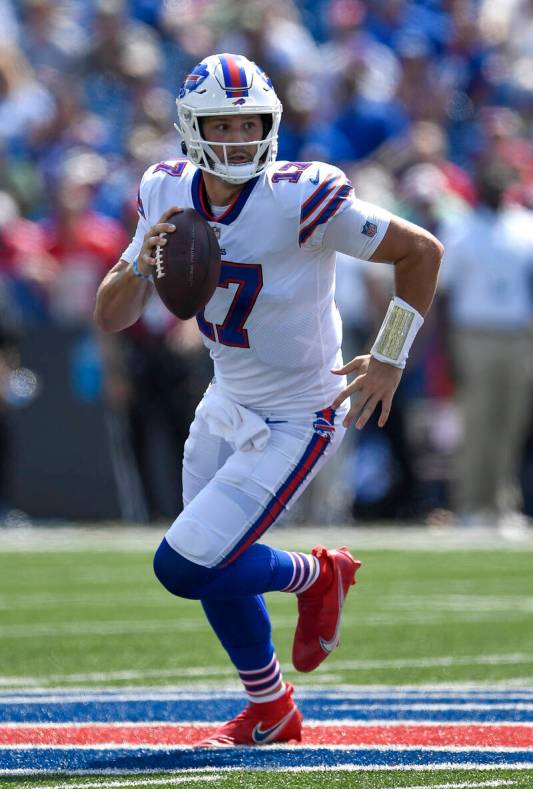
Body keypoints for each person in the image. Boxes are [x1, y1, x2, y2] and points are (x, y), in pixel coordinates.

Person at [94, 53, 442, 746]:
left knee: (185, 563)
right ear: (191, 129)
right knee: (214, 564)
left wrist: (391, 354)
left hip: (299, 412)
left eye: (250, 121)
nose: (238, 136)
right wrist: (140, 259)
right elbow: (111, 314)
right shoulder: (163, 190)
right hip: (226, 402)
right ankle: (273, 710)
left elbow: (421, 252)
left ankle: (317, 574)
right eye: (221, 125)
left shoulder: (301, 195)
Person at [439, 161, 533, 525]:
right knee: (477, 421)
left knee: (512, 421)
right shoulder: (460, 228)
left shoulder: (525, 226)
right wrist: (448, 349)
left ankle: (502, 504)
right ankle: (469, 504)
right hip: (473, 333)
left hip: (517, 334)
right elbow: (445, 294)